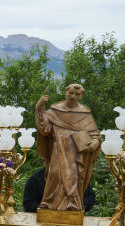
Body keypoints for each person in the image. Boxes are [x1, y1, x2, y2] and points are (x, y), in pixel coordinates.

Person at [34, 84, 101, 215]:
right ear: (66, 92)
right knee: (55, 174)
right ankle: (49, 202)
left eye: (77, 94)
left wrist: (94, 143)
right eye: (71, 93)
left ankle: (73, 204)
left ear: (81, 96)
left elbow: (94, 134)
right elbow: (44, 128)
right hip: (58, 149)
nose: (73, 96)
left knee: (73, 177)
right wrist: (39, 107)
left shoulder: (84, 113)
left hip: (76, 152)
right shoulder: (55, 110)